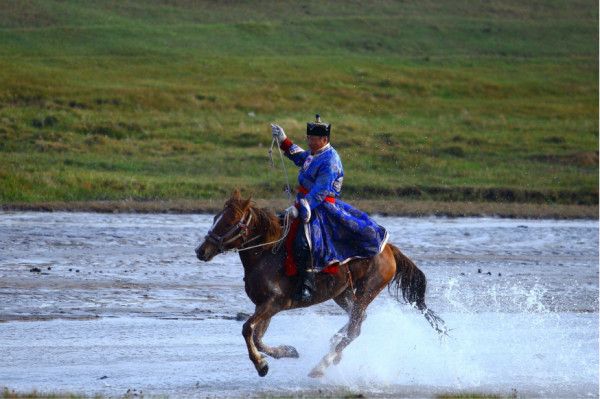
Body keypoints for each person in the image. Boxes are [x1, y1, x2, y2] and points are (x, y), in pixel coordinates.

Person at [271, 115, 388, 302]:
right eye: (308, 138)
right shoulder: (315, 153)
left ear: (324, 140)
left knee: (305, 241)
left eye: (313, 139)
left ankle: (307, 285)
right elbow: (302, 158)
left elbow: (320, 191)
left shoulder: (331, 160)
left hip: (321, 207)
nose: (309, 141)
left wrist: (300, 207)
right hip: (306, 203)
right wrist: (284, 141)